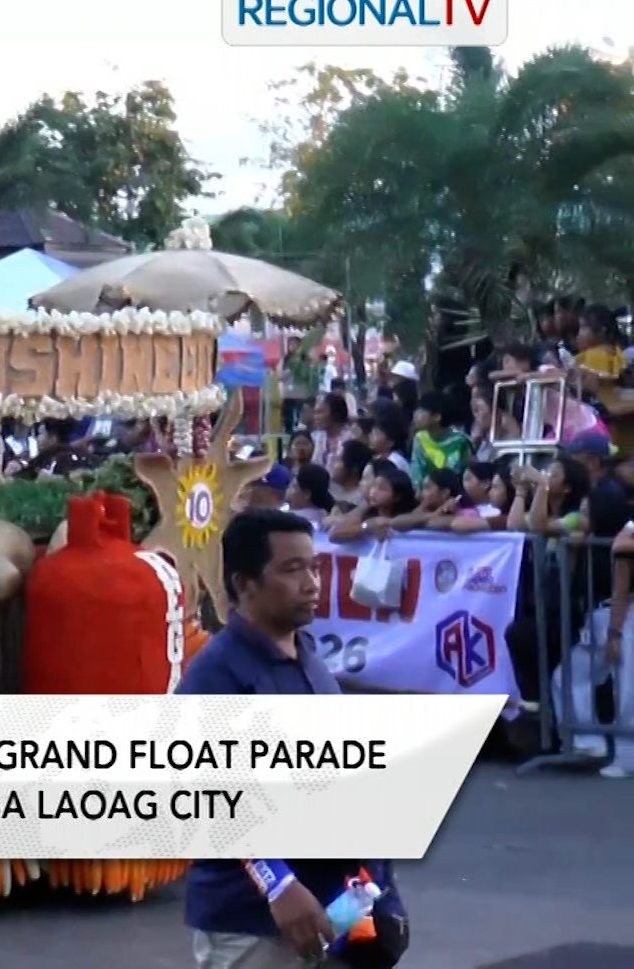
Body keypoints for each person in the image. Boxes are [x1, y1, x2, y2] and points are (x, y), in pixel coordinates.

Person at [177, 509, 408, 969]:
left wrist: (380, 889)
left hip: (337, 909)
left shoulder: (307, 656)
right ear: (245, 584)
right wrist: (277, 883)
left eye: (315, 567)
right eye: (291, 569)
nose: (312, 582)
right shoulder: (216, 675)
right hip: (256, 924)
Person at [408, 393, 470, 481]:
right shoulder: (420, 438)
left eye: (421, 411)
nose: (415, 415)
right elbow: (416, 473)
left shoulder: (460, 441)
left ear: (437, 417)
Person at [329, 440, 374, 510]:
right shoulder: (328, 487)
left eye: (339, 460)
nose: (333, 464)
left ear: (354, 469)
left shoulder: (363, 498)